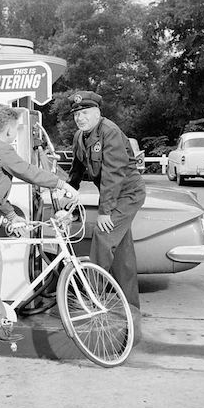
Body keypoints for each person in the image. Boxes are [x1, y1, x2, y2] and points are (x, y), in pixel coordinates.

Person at [0, 104, 79, 342]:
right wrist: (61, 184)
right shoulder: (2, 149)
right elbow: (29, 171)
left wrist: (11, 216)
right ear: (10, 130)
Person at [66, 90, 146, 340]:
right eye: (77, 114)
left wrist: (105, 212)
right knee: (122, 254)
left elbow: (113, 175)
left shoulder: (109, 131)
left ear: (98, 112)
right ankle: (131, 307)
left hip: (127, 194)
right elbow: (77, 168)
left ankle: (91, 299)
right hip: (114, 195)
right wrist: (68, 192)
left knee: (102, 235)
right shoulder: (81, 136)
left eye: (85, 112)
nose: (80, 118)